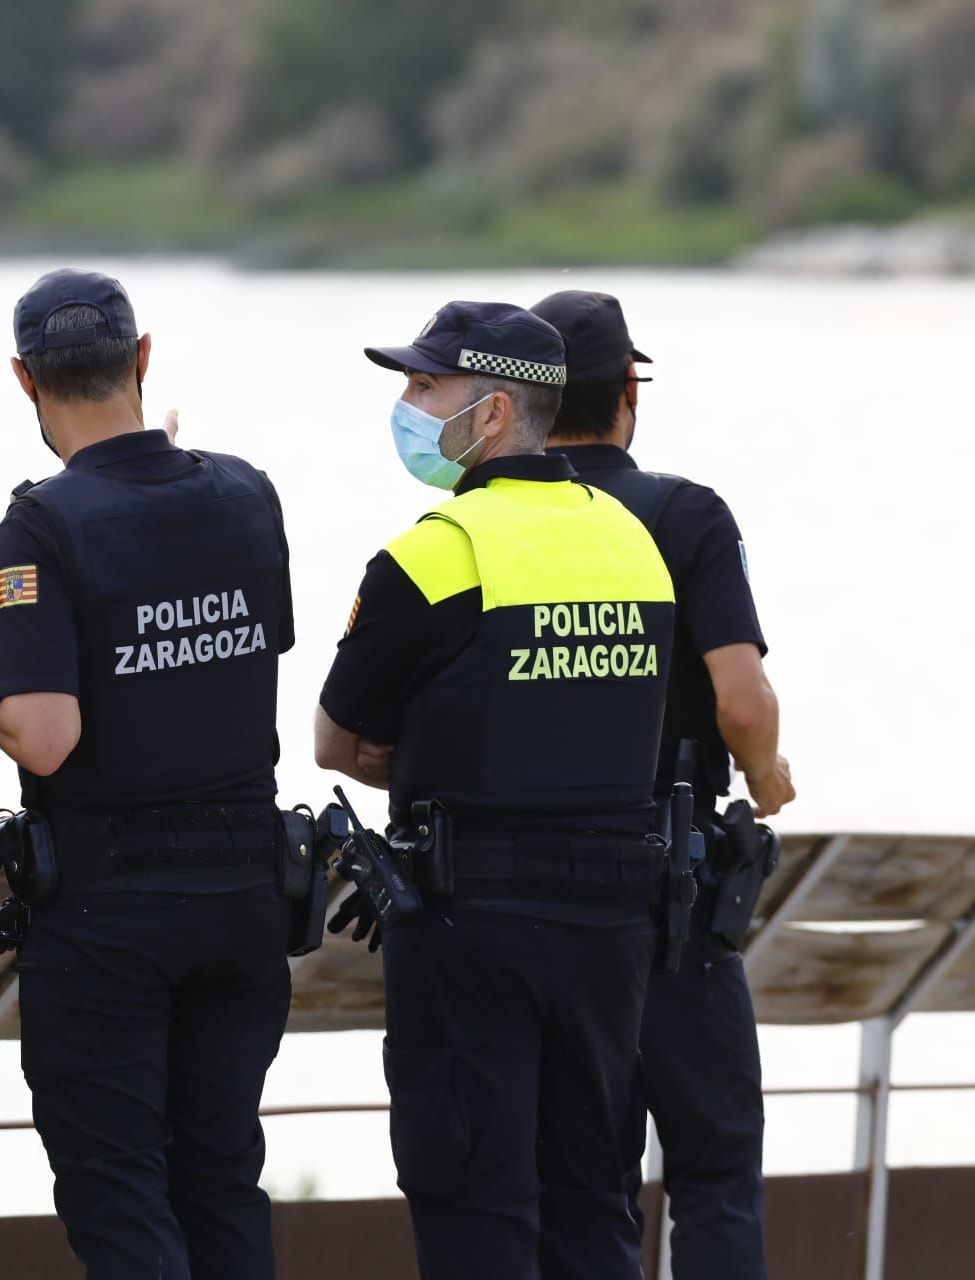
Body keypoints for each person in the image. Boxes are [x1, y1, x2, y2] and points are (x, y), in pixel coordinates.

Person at [314, 301, 676, 1280]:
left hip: (475, 924)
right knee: (594, 1201)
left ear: (492, 411)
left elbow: (337, 738)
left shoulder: (436, 552)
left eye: (425, 385)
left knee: (476, 1200)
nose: (407, 401)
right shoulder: (630, 541)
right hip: (611, 929)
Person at [0, 268, 296, 1279]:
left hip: (113, 918)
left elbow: (45, 735)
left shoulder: (40, 525)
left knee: (117, 1184)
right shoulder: (245, 490)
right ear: (142, 358)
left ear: (24, 379)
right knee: (222, 1175)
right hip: (245, 898)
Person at [534, 289, 793, 1279]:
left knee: (584, 1178)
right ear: (628, 394)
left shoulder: (489, 525)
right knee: (715, 1164)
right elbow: (741, 697)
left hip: (544, 896)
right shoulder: (685, 513)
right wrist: (765, 777)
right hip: (674, 894)